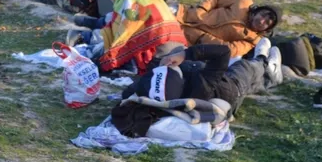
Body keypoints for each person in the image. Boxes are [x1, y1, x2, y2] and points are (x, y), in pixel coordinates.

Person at [121, 40, 284, 115]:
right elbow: (223, 52)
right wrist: (186, 54)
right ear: (182, 78)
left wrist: (159, 64)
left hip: (212, 81)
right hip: (231, 90)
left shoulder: (151, 89)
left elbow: (129, 92)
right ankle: (264, 61)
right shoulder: (202, 84)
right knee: (245, 68)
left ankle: (267, 74)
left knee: (252, 80)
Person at [68, 0, 186, 74]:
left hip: (162, 57)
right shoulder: (151, 1)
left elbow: (121, 43)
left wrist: (101, 63)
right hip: (180, 52)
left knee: (117, 52)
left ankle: (84, 36)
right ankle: (85, 35)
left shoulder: (133, 9)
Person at [175, 0, 282, 59]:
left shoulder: (252, 41)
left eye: (267, 23)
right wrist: (202, 9)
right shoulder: (243, 3)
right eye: (262, 15)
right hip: (183, 13)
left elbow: (229, 50)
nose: (261, 21)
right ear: (258, 11)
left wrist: (202, 37)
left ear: (267, 29)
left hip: (188, 39)